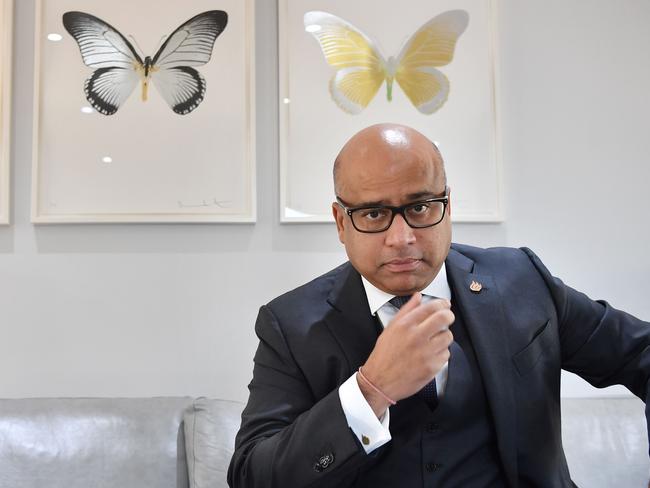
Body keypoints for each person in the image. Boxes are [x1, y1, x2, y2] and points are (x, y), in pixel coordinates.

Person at [228, 123, 650, 487]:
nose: (402, 237)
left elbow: (641, 353)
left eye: (420, 207)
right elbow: (253, 476)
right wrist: (370, 390)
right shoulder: (290, 325)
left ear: (448, 205)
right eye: (374, 214)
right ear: (341, 222)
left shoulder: (522, 280)